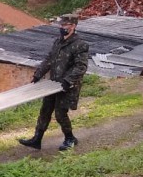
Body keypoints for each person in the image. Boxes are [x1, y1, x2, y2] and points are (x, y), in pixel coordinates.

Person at [18, 14, 89, 151]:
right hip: (52, 84)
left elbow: (81, 67)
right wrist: (38, 74)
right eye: (61, 25)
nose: (61, 28)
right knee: (45, 111)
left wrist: (68, 81)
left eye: (64, 25)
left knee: (60, 114)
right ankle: (37, 139)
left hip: (67, 86)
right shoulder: (58, 42)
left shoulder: (80, 45)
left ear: (73, 26)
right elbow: (49, 59)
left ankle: (70, 138)